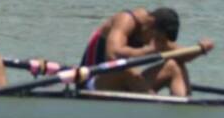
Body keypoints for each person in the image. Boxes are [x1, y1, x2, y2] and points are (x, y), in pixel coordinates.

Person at [79, 7, 214, 97]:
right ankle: (155, 107)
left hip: (126, 86)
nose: (161, 43)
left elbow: (181, 55)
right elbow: (112, 55)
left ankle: (183, 112)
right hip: (92, 83)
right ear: (151, 26)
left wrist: (201, 49)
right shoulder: (125, 20)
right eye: (160, 39)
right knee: (124, 68)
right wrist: (147, 51)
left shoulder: (154, 32)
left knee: (173, 65)